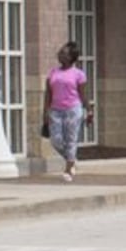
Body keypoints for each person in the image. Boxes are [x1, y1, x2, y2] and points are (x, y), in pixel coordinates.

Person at [41, 43, 89, 179]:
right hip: (55, 110)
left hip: (73, 109)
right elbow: (48, 94)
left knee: (71, 139)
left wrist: (89, 110)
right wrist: (45, 112)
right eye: (60, 52)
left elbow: (83, 95)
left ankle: (68, 170)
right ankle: (71, 159)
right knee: (55, 140)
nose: (60, 54)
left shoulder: (79, 74)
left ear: (71, 57)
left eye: (64, 53)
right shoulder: (53, 73)